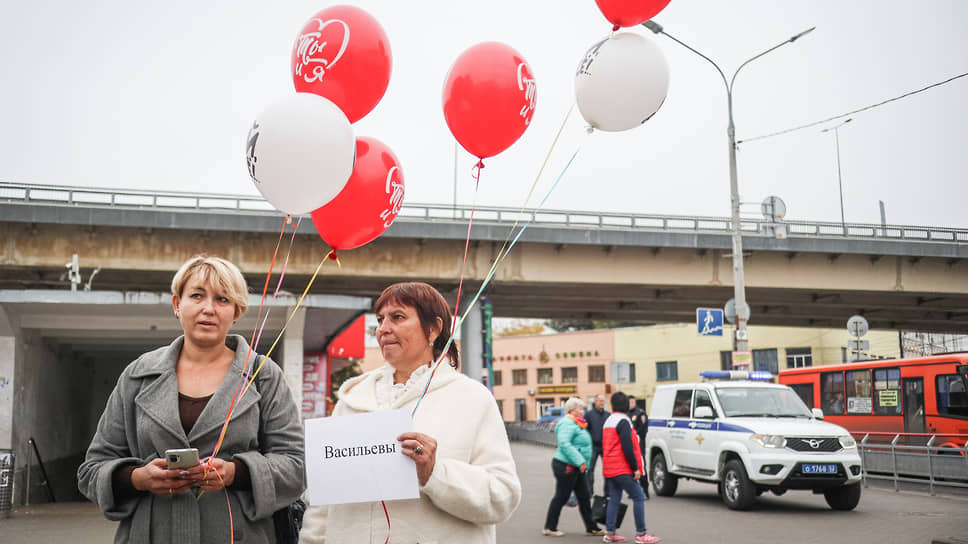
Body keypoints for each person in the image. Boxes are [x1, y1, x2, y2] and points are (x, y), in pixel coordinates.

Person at [77, 255, 306, 543]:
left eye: (222, 299)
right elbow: (91, 469)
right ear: (177, 304)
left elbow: (295, 466)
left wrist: (236, 472)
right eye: (197, 295)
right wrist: (139, 478)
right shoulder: (138, 375)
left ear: (237, 311)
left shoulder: (263, 375)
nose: (208, 308)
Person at [300, 282, 521, 543]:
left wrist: (434, 472)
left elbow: (502, 497)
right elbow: (322, 501)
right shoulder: (352, 399)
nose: (383, 329)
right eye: (380, 319)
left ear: (434, 329)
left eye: (398, 317)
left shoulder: (472, 399)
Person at [601, 392, 660, 543]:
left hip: (609, 467)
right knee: (639, 496)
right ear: (626, 405)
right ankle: (641, 534)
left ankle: (610, 532)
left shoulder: (609, 420)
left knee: (614, 498)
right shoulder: (623, 421)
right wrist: (635, 468)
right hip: (622, 467)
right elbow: (628, 446)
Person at [542, 397, 604, 537]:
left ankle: (591, 527)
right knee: (561, 496)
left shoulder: (576, 423)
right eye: (581, 408)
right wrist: (580, 461)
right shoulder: (567, 423)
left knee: (584, 496)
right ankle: (550, 527)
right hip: (566, 465)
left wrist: (580, 462)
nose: (583, 411)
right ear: (572, 410)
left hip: (575, 465)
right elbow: (565, 444)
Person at [584, 393, 610, 495]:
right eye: (599, 401)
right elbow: (585, 430)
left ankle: (607, 492)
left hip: (605, 447)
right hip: (593, 447)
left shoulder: (608, 415)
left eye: (603, 401)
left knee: (608, 470)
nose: (601, 403)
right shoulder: (589, 415)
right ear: (595, 402)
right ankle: (589, 492)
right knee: (590, 470)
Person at [626, 395, 650, 500]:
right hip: (629, 444)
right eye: (629, 402)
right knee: (631, 467)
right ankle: (633, 491)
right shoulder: (626, 414)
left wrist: (635, 435)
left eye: (632, 402)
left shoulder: (640, 413)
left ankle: (645, 490)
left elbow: (643, 429)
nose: (631, 404)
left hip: (639, 444)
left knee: (641, 467)